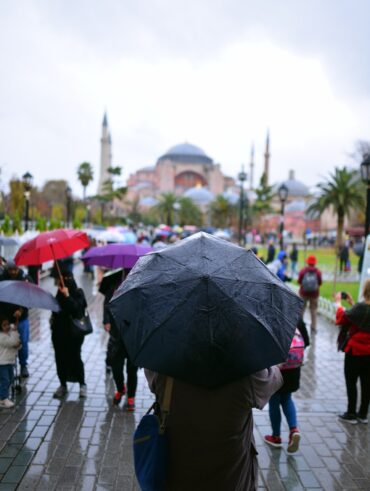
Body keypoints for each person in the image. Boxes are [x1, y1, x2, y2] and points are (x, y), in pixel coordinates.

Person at [145, 367, 282, 490]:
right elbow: (274, 379)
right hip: (232, 479)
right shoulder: (248, 371)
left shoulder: (164, 367)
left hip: (177, 474)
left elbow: (151, 376)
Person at [264, 318, 310, 453]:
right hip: (294, 367)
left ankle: (276, 436)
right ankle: (293, 429)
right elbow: (306, 342)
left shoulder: (271, 319)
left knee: (274, 401)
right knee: (287, 398)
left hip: (277, 367)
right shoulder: (297, 318)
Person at [335, 280, 370, 424]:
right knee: (367, 384)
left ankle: (351, 413)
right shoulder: (360, 307)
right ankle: (363, 414)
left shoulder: (361, 307)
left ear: (365, 290)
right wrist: (352, 303)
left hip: (354, 351)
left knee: (351, 382)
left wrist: (338, 303)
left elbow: (342, 318)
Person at [103, 269, 138, 411]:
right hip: (117, 336)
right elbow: (106, 305)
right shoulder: (114, 286)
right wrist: (106, 320)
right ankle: (120, 388)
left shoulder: (138, 287)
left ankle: (131, 397)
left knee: (132, 370)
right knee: (116, 367)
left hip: (132, 337)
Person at [50, 269, 88, 399]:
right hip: (59, 334)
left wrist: (67, 296)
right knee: (60, 359)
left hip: (74, 334)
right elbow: (56, 312)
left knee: (75, 358)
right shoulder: (58, 293)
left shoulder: (78, 293)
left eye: (66, 279)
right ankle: (63, 385)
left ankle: (82, 385)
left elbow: (77, 310)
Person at [0, 260, 32, 377]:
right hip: (5, 318)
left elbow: (30, 297)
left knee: (22, 342)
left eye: (15, 269)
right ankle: (8, 365)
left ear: (18, 268)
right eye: (10, 270)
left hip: (21, 318)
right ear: (7, 269)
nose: (13, 272)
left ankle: (23, 365)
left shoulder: (25, 279)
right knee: (7, 343)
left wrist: (21, 310)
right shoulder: (2, 278)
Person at [0, 314, 21, 408]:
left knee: (10, 379)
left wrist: (14, 334)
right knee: (5, 381)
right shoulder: (1, 336)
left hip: (10, 361)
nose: (7, 326)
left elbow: (19, 345)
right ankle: (4, 398)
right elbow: (13, 343)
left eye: (8, 324)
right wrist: (15, 331)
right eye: (4, 325)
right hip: (2, 363)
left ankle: (2, 398)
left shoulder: (9, 334)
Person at [297, 255, 322, 332]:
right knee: (313, 310)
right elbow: (320, 282)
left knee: (301, 310)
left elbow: (299, 281)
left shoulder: (303, 271)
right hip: (314, 294)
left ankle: (299, 327)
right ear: (314, 263)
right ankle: (313, 327)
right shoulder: (318, 272)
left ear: (308, 262)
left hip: (303, 293)